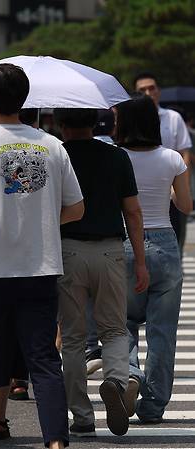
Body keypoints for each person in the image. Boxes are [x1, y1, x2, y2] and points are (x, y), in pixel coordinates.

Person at [0, 63, 84, 449]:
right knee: (43, 358)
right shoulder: (51, 145)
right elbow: (76, 208)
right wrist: (38, 221)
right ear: (23, 100)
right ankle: (56, 440)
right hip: (40, 266)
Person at [53, 107, 149, 438]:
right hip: (109, 250)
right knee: (114, 330)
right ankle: (116, 383)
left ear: (60, 124)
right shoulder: (116, 157)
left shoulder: (55, 156)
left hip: (67, 251)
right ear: (95, 123)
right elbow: (133, 212)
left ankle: (81, 415)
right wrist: (140, 260)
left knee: (74, 337)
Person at [116, 94, 192, 424]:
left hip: (124, 244)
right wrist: (170, 191)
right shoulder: (173, 159)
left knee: (123, 323)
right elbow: (186, 206)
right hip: (164, 244)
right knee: (162, 332)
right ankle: (153, 404)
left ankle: (130, 375)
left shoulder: (116, 157)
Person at [134, 73, 193, 255]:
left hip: (171, 189)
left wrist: (179, 187)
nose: (148, 92)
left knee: (176, 237)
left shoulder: (173, 117)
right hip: (139, 192)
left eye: (152, 88)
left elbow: (185, 153)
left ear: (158, 91)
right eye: (142, 90)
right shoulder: (130, 119)